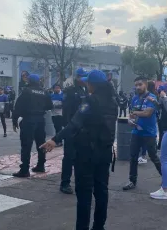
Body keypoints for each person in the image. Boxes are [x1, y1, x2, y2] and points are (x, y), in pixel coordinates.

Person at [40, 70, 118, 230]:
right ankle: (99, 226)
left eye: (88, 82)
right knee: (102, 191)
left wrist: (55, 139)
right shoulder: (113, 102)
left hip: (86, 154)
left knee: (84, 194)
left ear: (92, 84)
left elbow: (74, 124)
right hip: (105, 153)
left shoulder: (90, 101)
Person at [123, 76, 162, 191]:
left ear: (145, 84)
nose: (138, 87)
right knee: (133, 157)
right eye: (136, 85)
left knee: (153, 156)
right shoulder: (134, 98)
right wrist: (130, 121)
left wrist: (135, 112)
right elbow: (132, 115)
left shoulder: (152, 98)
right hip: (136, 132)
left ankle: (166, 177)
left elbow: (147, 113)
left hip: (149, 133)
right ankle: (132, 181)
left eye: (140, 84)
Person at [12, 74, 53, 178]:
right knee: (41, 143)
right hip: (40, 120)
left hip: (29, 120)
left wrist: (14, 120)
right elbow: (50, 106)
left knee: (26, 145)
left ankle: (25, 170)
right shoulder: (44, 92)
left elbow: (18, 106)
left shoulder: (26, 91)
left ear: (29, 81)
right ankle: (41, 165)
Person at [60, 68, 88, 194]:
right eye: (82, 77)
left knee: (81, 156)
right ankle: (65, 183)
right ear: (77, 77)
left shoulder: (85, 90)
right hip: (72, 127)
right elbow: (66, 111)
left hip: (83, 129)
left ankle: (79, 182)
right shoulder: (70, 91)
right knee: (69, 157)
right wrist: (68, 127)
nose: (84, 80)